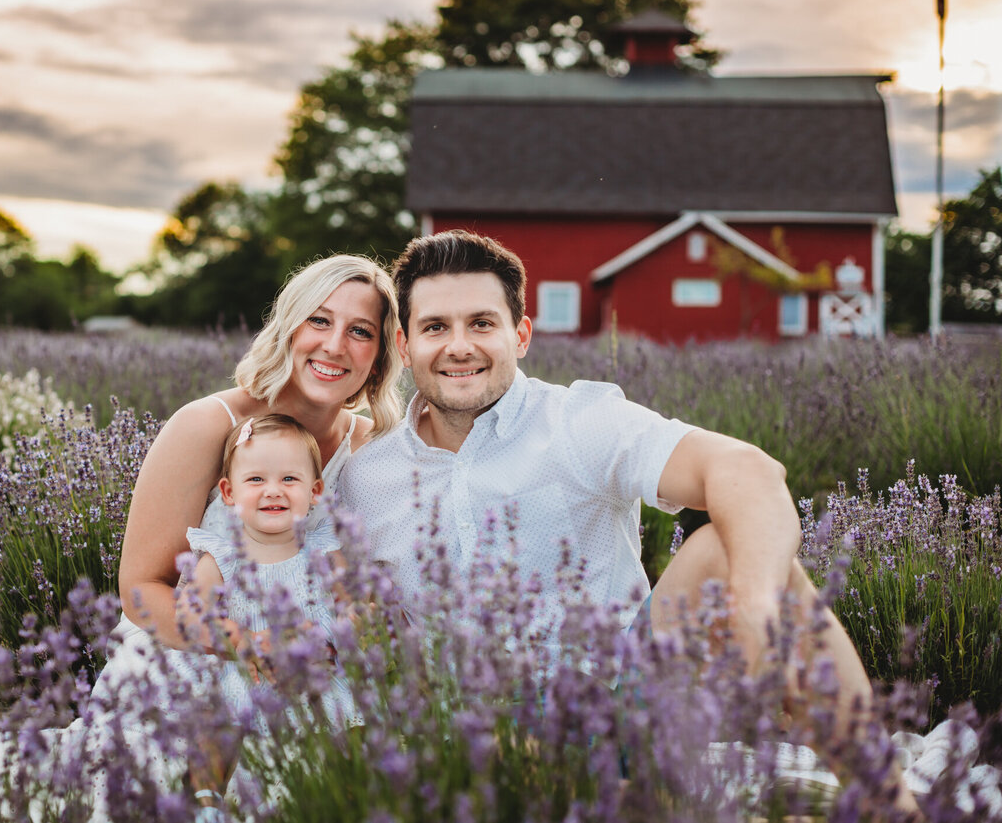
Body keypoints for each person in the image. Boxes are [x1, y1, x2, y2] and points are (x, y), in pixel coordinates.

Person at [337, 229, 920, 815]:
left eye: (482, 324)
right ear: (406, 344)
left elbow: (747, 469)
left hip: (620, 701)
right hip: (480, 743)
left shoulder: (578, 421)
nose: (459, 345)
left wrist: (755, 608)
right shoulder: (367, 477)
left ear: (522, 335)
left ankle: (892, 809)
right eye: (436, 327)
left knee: (724, 549)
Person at [90, 253, 402, 812]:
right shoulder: (210, 425)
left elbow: (369, 579)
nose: (335, 345)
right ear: (288, 327)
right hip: (191, 641)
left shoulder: (376, 446)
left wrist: (327, 642)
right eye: (319, 320)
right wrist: (246, 646)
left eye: (361, 332)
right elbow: (141, 591)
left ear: (379, 357)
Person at [171, 414, 358, 820]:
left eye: (289, 480)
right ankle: (206, 802)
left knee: (350, 723)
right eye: (256, 480)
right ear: (228, 492)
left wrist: (330, 636)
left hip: (315, 669)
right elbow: (189, 613)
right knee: (214, 726)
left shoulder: (323, 550)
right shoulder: (221, 556)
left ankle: (348, 790)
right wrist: (236, 637)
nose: (273, 491)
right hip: (246, 672)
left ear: (316, 492)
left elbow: (354, 604)